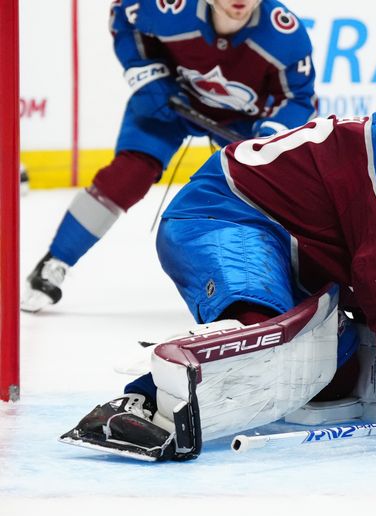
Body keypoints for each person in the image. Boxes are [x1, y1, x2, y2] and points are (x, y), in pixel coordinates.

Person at [59, 58, 376, 462]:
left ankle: (188, 377)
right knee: (267, 329)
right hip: (222, 215)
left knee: (335, 360)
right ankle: (139, 403)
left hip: (270, 233)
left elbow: (374, 279)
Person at [22, 0, 317, 312]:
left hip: (242, 121)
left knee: (273, 194)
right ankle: (54, 262)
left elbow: (298, 97)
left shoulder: (286, 34)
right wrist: (147, 74)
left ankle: (293, 281)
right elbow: (123, 16)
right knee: (127, 176)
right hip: (168, 100)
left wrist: (269, 137)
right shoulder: (168, 6)